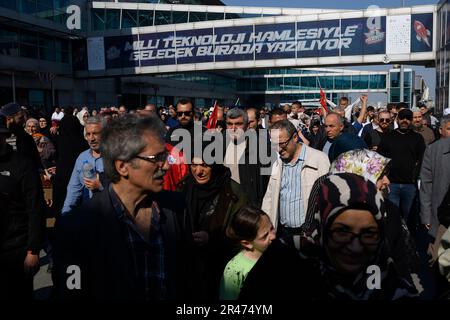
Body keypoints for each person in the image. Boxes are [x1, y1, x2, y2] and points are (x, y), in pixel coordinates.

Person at [53, 114, 194, 300]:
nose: (166, 166)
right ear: (122, 166)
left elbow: (188, 277)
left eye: (165, 156)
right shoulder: (76, 227)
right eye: (156, 158)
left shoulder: (175, 207)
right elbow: (71, 292)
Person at [241, 173, 420, 300]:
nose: (355, 247)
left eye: (369, 233)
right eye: (342, 232)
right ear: (323, 225)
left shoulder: (389, 280)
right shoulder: (286, 260)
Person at [177, 143, 248, 299]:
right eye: (194, 165)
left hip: (221, 269)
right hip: (190, 269)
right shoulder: (183, 187)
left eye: (204, 165)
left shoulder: (233, 193)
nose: (198, 171)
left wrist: (212, 238)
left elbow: (242, 234)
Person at [0, 117, 46, 300]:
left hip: (17, 249)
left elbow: (35, 208)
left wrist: (33, 251)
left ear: (3, 137)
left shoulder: (21, 165)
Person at [262, 120, 330, 236]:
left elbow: (328, 198)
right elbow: (269, 198)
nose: (278, 149)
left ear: (295, 137)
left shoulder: (319, 159)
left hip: (310, 233)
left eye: (282, 144)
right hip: (282, 232)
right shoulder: (276, 163)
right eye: (274, 144)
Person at [378, 108, 426, 221]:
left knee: (408, 216)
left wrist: (416, 177)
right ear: (397, 119)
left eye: (408, 118)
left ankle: (408, 238)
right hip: (391, 184)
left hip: (410, 185)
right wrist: (383, 176)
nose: (405, 120)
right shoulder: (388, 137)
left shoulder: (417, 138)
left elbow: (423, 160)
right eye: (402, 118)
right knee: (392, 216)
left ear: (411, 120)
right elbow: (379, 159)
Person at [220, 205, 275, 300]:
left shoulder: (278, 252)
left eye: (272, 228)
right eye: (265, 236)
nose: (273, 236)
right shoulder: (234, 271)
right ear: (247, 243)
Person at [223, 107, 271, 207]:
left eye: (238, 124)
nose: (233, 128)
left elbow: (268, 184)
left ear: (247, 125)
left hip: (250, 207)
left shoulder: (261, 149)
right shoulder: (220, 146)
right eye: (229, 124)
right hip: (227, 204)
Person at [61, 116, 105, 214]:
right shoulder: (82, 157)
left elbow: (125, 190)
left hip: (111, 217)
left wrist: (101, 186)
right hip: (89, 214)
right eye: (88, 134)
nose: (91, 138)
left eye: (95, 134)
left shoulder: (115, 156)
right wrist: (65, 214)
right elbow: (74, 189)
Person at [0, 102, 42, 170]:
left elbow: (35, 161)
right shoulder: (3, 139)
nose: (24, 121)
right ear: (9, 119)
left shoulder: (26, 137)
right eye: (20, 118)